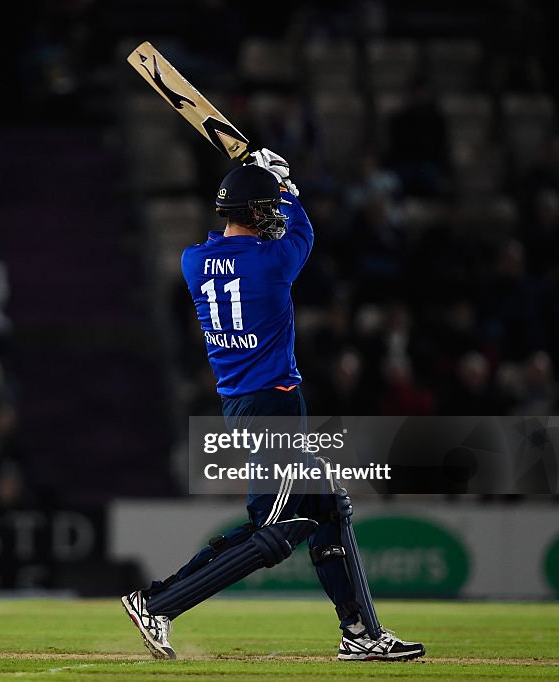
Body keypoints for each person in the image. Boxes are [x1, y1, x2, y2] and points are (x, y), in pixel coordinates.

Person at [120, 150, 424, 662]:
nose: (273, 216)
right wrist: (286, 185)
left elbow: (266, 234)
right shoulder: (271, 262)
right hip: (271, 406)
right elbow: (302, 231)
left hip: (246, 402)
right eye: (266, 209)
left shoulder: (194, 261)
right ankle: (158, 602)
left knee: (327, 503)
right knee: (275, 532)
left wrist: (266, 185)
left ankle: (360, 632)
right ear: (255, 211)